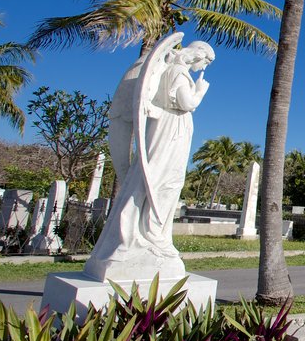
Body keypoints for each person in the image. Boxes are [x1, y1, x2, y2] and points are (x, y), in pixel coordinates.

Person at [85, 36, 213, 282]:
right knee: (164, 181)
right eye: (205, 61)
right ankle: (152, 235)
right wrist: (200, 91)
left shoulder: (172, 69)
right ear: (197, 54)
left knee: (164, 181)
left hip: (169, 130)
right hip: (170, 131)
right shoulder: (177, 71)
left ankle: (150, 235)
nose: (203, 68)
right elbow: (187, 102)